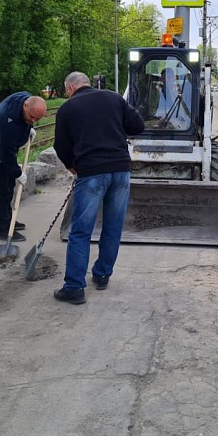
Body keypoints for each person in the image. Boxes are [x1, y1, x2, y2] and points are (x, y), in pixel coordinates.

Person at [52, 71, 145, 304]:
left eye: (66, 90)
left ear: (71, 87)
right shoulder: (114, 98)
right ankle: (102, 275)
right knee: (113, 227)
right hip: (120, 171)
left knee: (81, 230)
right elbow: (138, 125)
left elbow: (60, 145)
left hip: (91, 172)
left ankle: (74, 287)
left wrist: (72, 166)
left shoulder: (68, 108)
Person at [0, 92, 47, 241]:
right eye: (32, 117)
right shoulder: (7, 120)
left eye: (37, 119)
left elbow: (25, 122)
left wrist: (28, 128)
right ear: (25, 106)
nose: (33, 120)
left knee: (8, 184)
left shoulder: (25, 99)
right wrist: (18, 173)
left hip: (4, 144)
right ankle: (3, 229)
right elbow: (7, 155)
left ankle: (9, 219)